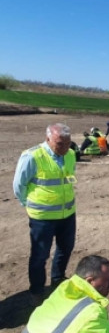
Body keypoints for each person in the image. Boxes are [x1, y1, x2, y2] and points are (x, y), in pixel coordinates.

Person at [13, 123, 77, 306]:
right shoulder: (32, 156)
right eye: (59, 143)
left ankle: (57, 279)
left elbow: (69, 178)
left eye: (67, 143)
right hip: (42, 218)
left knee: (66, 249)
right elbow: (19, 186)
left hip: (67, 214)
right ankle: (37, 291)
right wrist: (29, 205)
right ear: (48, 139)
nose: (64, 147)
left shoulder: (71, 155)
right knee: (40, 256)